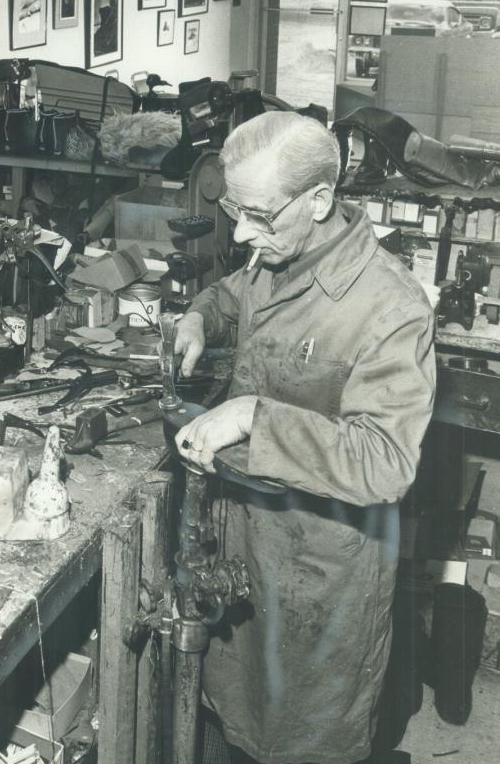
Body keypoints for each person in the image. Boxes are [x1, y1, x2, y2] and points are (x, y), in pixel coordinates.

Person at [174, 111, 435, 764]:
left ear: (320, 200)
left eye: (258, 215)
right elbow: (236, 293)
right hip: (243, 541)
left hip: (323, 575)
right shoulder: (278, 250)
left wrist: (253, 418)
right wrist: (198, 318)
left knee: (304, 742)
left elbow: (387, 462)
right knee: (235, 718)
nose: (240, 232)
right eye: (236, 209)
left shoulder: (391, 309)